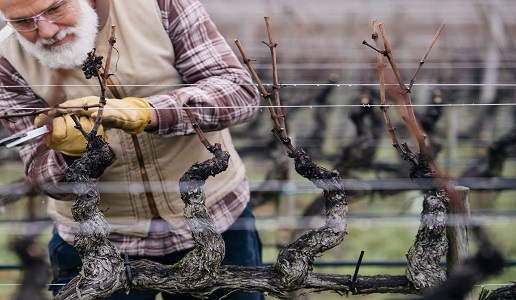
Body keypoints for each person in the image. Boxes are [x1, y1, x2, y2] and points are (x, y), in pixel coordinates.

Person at [0, 0, 263, 299]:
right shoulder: (5, 58)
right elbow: (42, 175)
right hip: (96, 244)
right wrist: (69, 155)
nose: (46, 31)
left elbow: (238, 92)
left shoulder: (158, 4)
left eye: (55, 8)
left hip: (217, 220)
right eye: (23, 22)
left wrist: (146, 113)